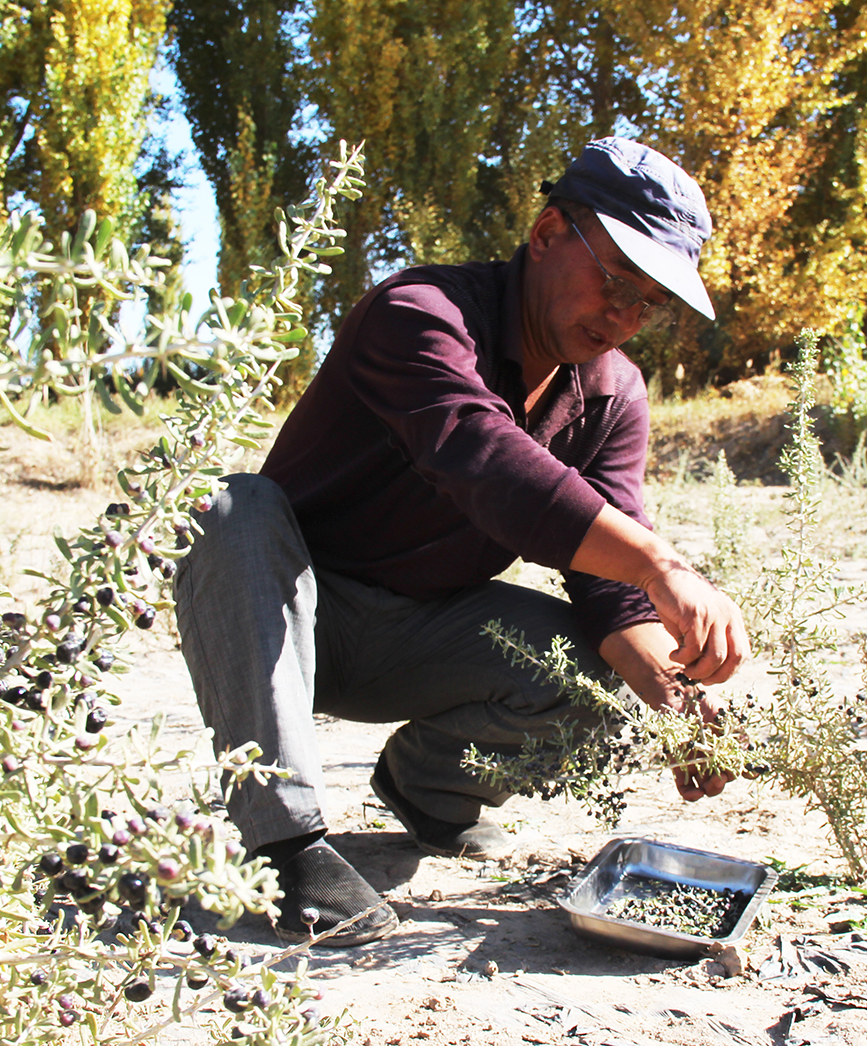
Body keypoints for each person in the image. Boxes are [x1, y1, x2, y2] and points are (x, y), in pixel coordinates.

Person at [173, 137, 750, 947]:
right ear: (548, 231)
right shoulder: (418, 313)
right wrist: (663, 563)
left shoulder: (612, 392)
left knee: (585, 669)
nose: (622, 317)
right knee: (231, 508)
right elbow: (483, 460)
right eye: (615, 280)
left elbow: (607, 591)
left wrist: (679, 705)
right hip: (285, 617)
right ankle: (284, 845)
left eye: (648, 302)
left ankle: (429, 793)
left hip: (420, 637)